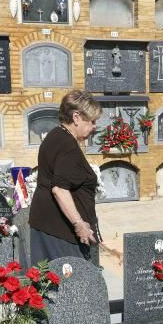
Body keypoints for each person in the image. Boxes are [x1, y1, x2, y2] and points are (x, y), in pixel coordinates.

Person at [28, 90, 102, 265]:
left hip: (47, 225)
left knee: (49, 284)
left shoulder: (56, 135)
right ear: (76, 117)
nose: (95, 126)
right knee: (72, 287)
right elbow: (60, 189)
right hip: (61, 234)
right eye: (92, 121)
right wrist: (80, 224)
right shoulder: (67, 145)